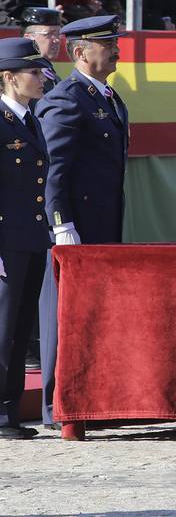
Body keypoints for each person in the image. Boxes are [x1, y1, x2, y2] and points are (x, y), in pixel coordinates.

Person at [35, 16, 130, 428]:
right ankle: (58, 405)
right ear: (79, 53)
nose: (115, 49)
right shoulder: (68, 98)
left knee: (95, 313)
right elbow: (53, 168)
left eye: (114, 42)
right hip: (75, 227)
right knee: (63, 314)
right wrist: (60, 223)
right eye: (106, 44)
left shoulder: (108, 96)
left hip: (104, 225)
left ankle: (91, 399)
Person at [0, 37, 49, 439]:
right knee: (3, 327)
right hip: (5, 241)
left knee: (19, 326)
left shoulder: (29, 119)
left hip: (30, 235)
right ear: (9, 78)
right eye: (33, 72)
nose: (41, 78)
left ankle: (10, 411)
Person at [19, 7, 62, 93]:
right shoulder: (21, 77)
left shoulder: (54, 77)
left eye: (58, 34)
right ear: (29, 38)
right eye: (49, 34)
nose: (56, 40)